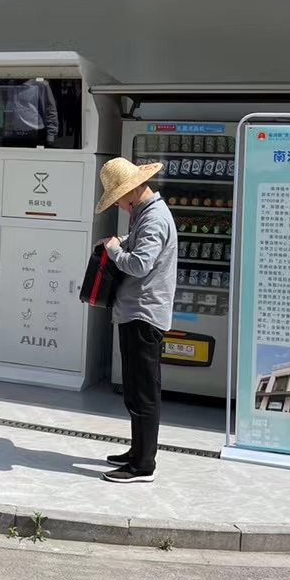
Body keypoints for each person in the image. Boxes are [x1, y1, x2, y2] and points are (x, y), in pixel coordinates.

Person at [96, 157, 176, 483]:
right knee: (135, 390)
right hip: (137, 311)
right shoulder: (145, 213)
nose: (118, 204)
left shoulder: (153, 218)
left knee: (143, 392)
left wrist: (115, 250)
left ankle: (143, 465)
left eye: (118, 198)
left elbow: (140, 265)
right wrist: (118, 244)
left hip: (143, 314)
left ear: (131, 191)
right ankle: (138, 452)